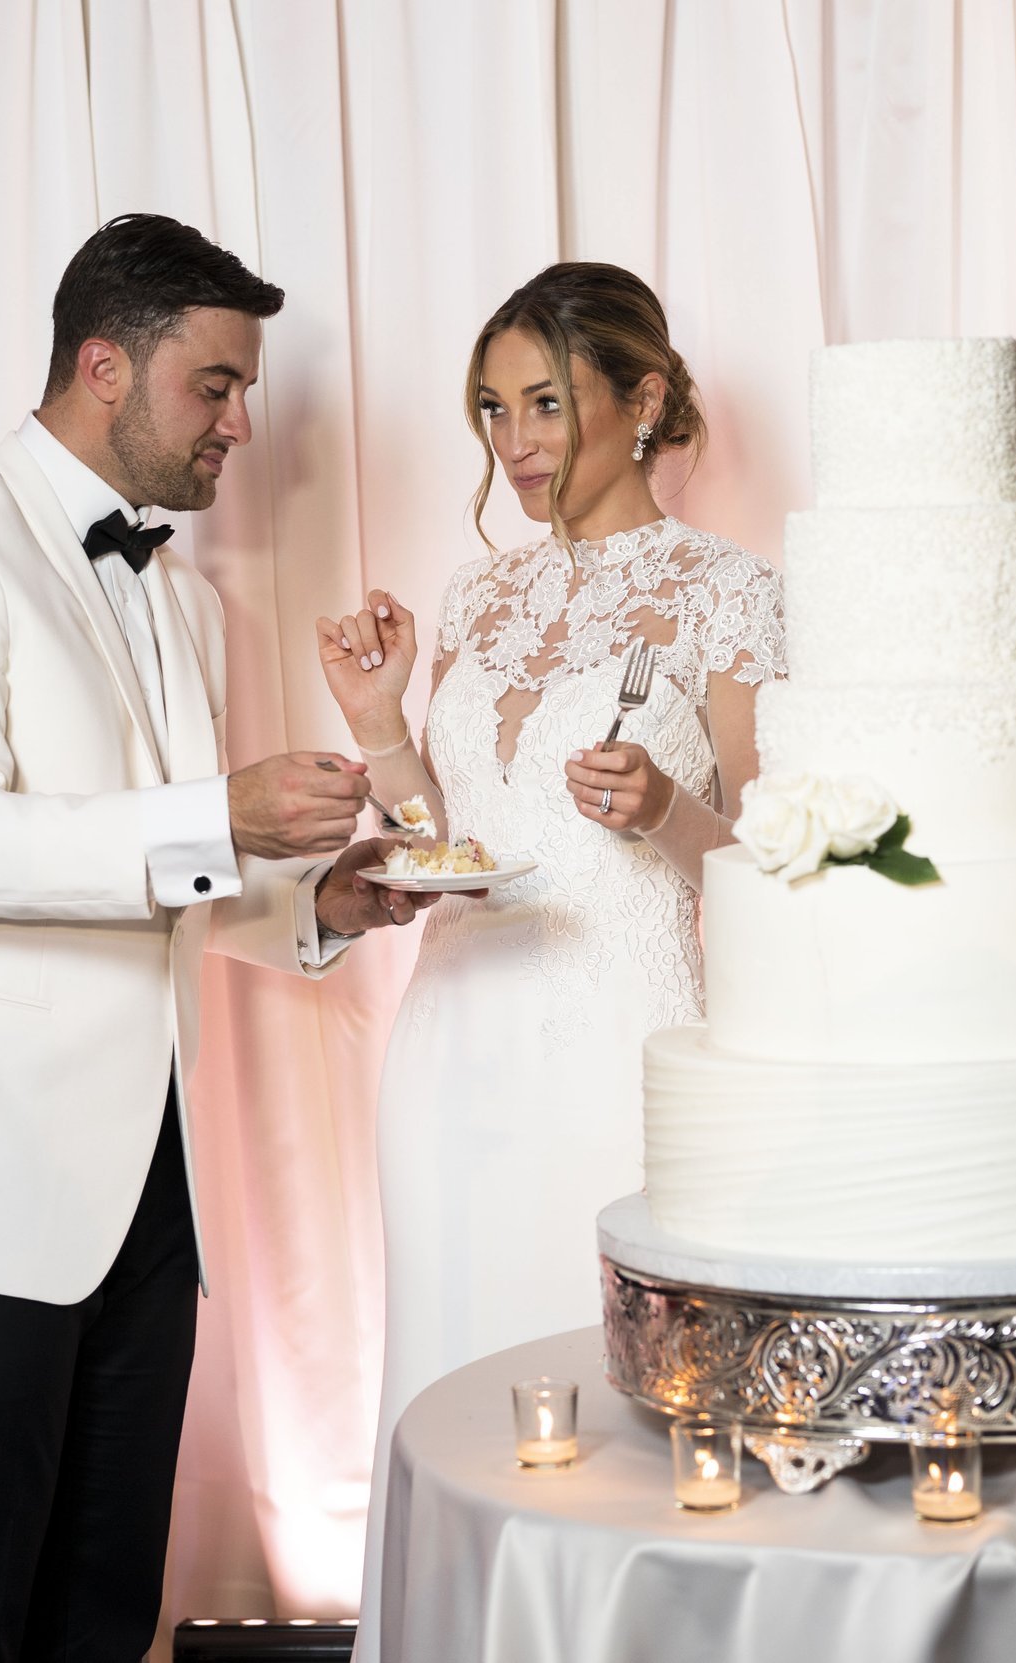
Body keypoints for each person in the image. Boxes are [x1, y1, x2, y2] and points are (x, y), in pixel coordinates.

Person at [0, 213, 429, 1663]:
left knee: (102, 1613)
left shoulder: (186, 599)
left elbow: (162, 875)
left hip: (150, 1197)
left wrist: (320, 902)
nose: (242, 424)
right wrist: (216, 809)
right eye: (215, 385)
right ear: (103, 366)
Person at [314, 262, 785, 1647]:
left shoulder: (731, 595)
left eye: (543, 404)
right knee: (450, 1382)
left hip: (624, 1045)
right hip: (452, 1051)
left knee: (617, 1397)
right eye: (489, 409)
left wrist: (673, 811)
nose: (512, 443)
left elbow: (776, 872)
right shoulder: (476, 600)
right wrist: (382, 716)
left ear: (641, 401)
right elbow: (440, 847)